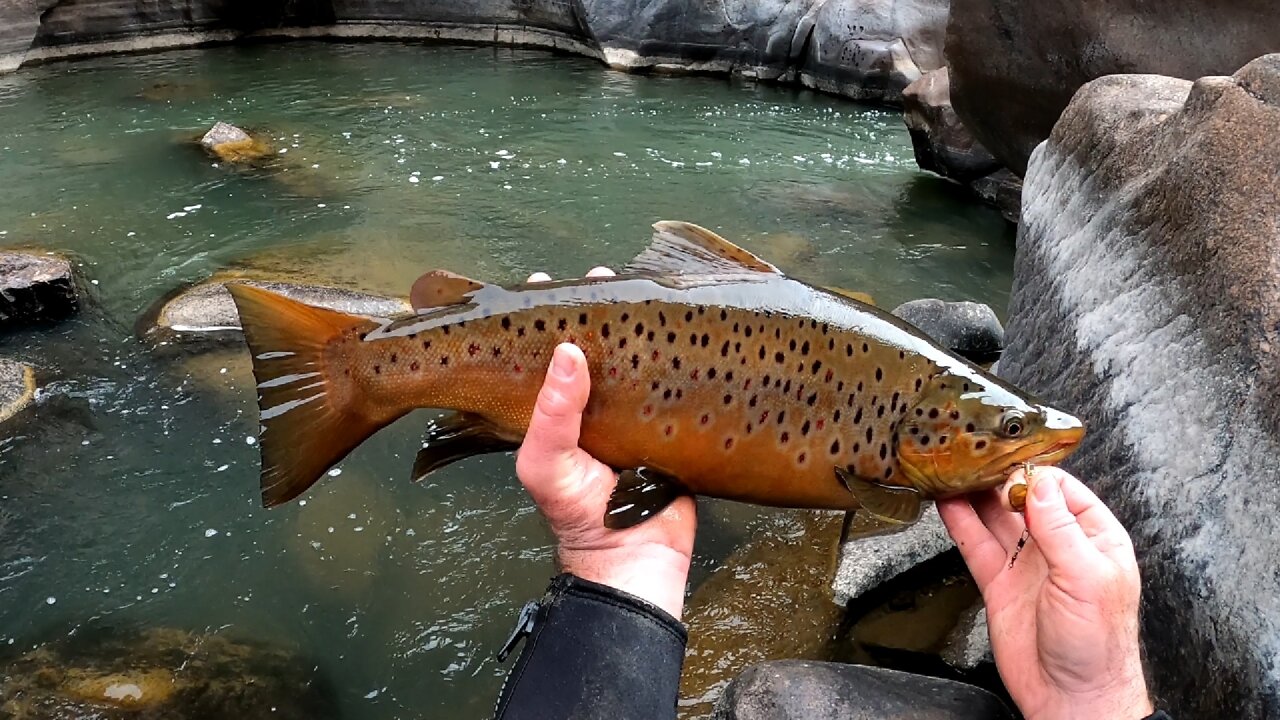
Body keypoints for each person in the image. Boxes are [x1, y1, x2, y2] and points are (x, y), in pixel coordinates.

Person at [493, 272, 1167, 720]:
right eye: (1013, 430)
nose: (1048, 440)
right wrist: (1101, 697)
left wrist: (1093, 692)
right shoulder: (899, 431)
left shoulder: (904, 444)